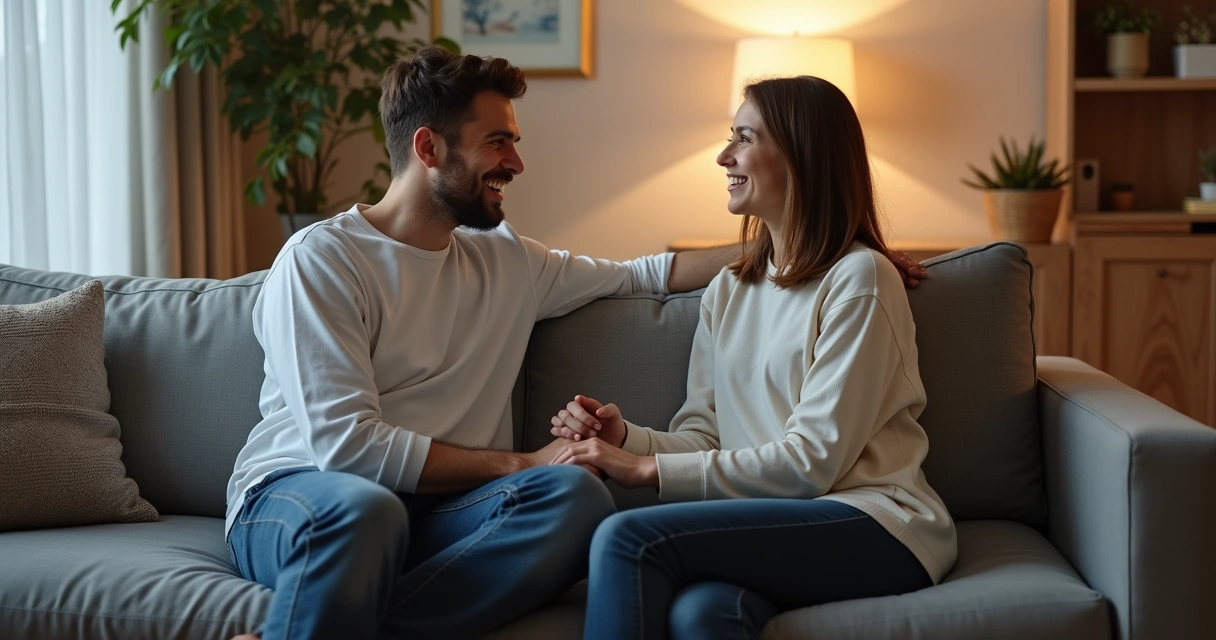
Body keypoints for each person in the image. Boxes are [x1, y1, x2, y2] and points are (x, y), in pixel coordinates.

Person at [225, 47, 928, 640]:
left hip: (439, 516)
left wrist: (831, 247)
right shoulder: (322, 259)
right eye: (498, 141)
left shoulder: (506, 261)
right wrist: (521, 460)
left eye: (515, 142)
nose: (517, 164)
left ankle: (316, 623)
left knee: (574, 497)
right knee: (368, 507)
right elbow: (347, 449)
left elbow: (646, 274)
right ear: (428, 147)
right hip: (304, 496)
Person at [548, 75, 957, 640]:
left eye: (743, 138)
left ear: (800, 154)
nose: (724, 156)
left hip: (876, 522)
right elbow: (706, 439)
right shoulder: (729, 290)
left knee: (629, 537)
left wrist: (646, 470)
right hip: (776, 520)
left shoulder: (860, 279)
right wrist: (628, 440)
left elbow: (812, 462)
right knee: (704, 616)